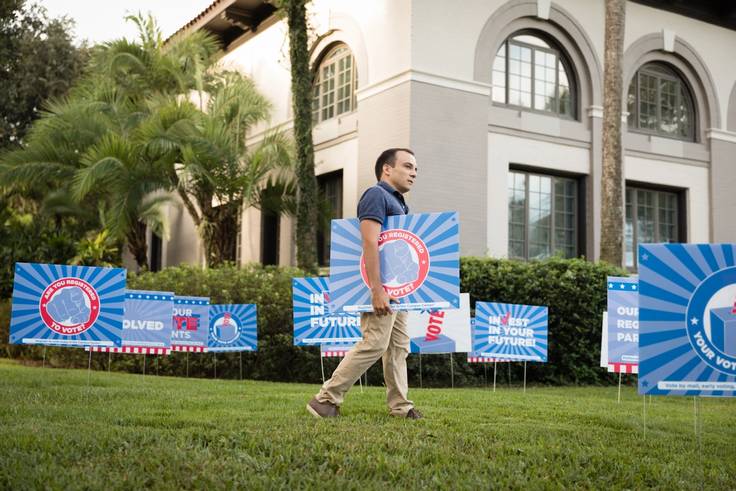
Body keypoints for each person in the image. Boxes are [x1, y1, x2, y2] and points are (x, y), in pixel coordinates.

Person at [307, 148, 423, 420]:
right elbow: (370, 241)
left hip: (398, 289)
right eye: (407, 166)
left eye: (416, 168)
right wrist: (377, 289)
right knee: (374, 343)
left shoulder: (399, 203)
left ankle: (400, 406)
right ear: (387, 169)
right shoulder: (376, 195)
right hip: (382, 288)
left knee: (398, 347)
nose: (414, 172)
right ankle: (325, 399)